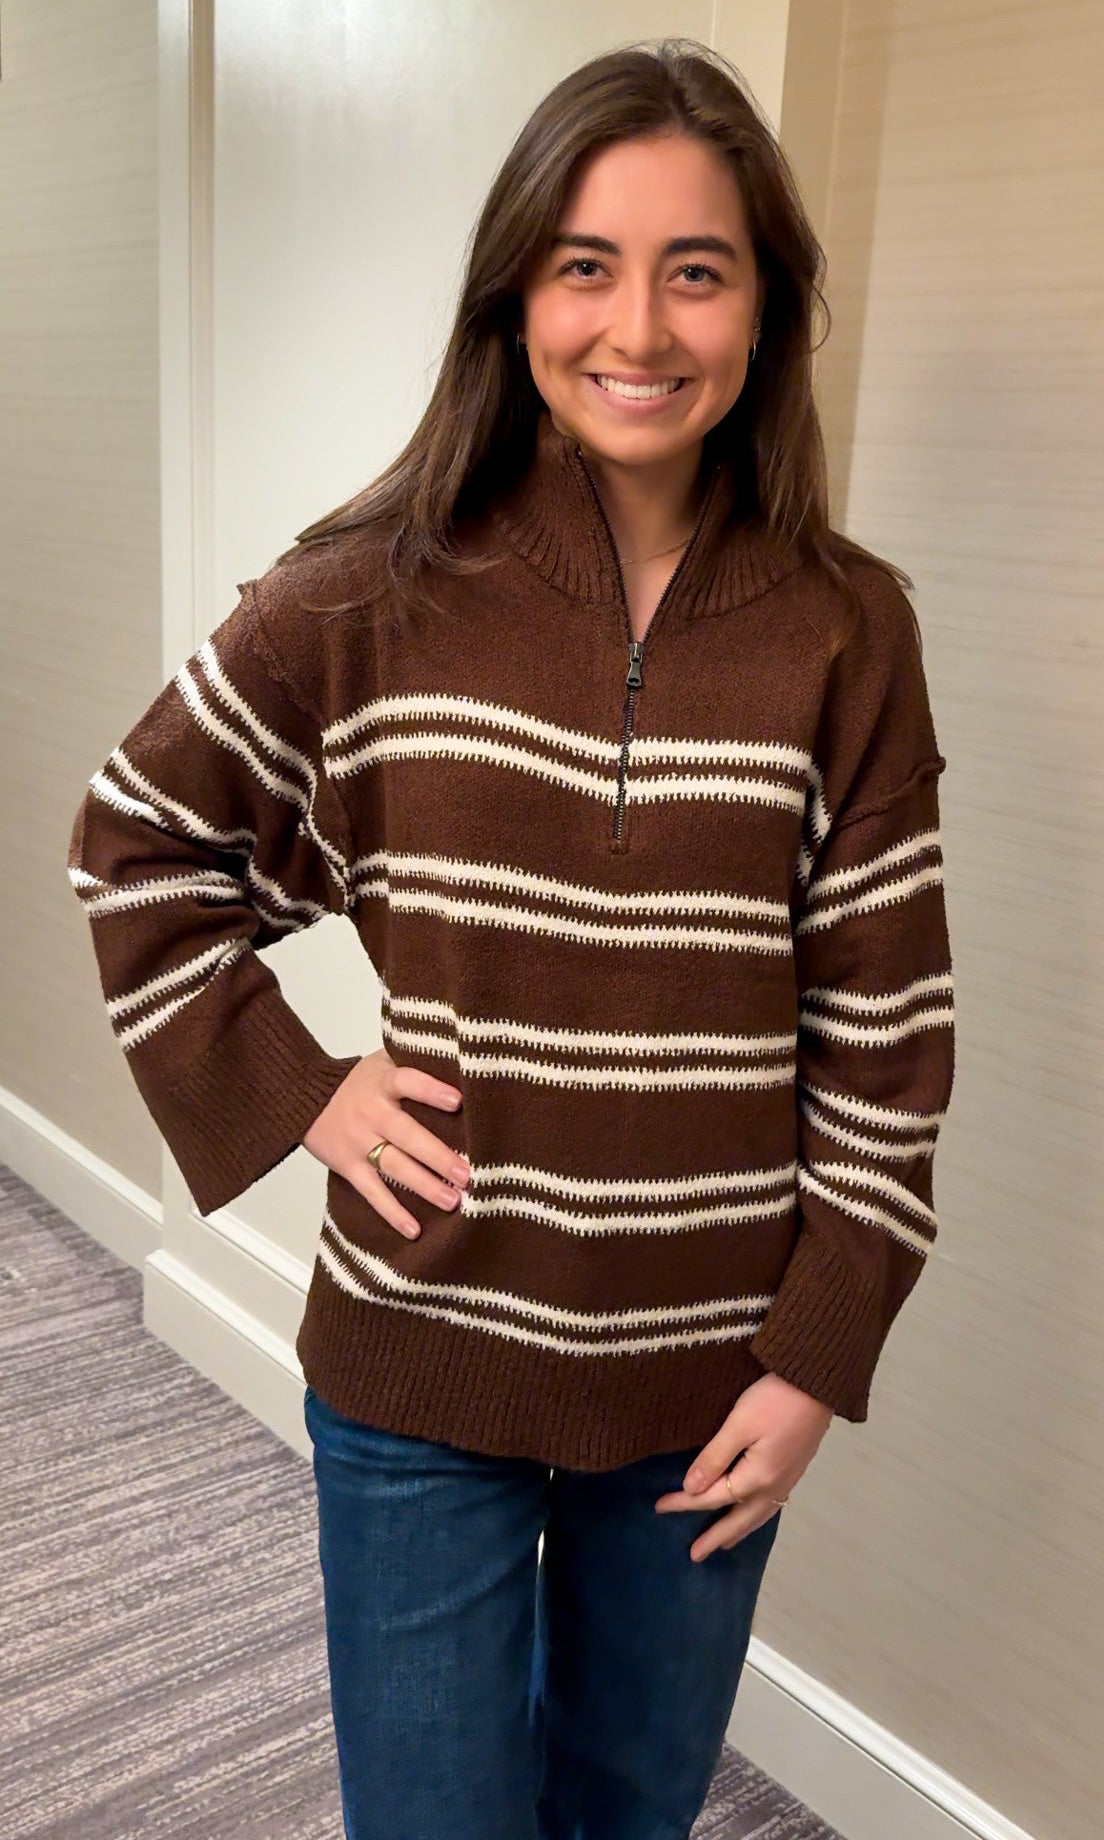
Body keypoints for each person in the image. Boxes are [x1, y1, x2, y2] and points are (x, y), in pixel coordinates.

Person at [67, 36, 955, 1840]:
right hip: (422, 1361)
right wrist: (308, 1093)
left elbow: (890, 1028)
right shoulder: (368, 594)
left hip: (714, 1377)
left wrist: (816, 1357)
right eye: (586, 265)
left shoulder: (848, 632)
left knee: (630, 1805)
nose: (640, 326)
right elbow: (139, 842)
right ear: (514, 300)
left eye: (696, 269)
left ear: (767, 307)